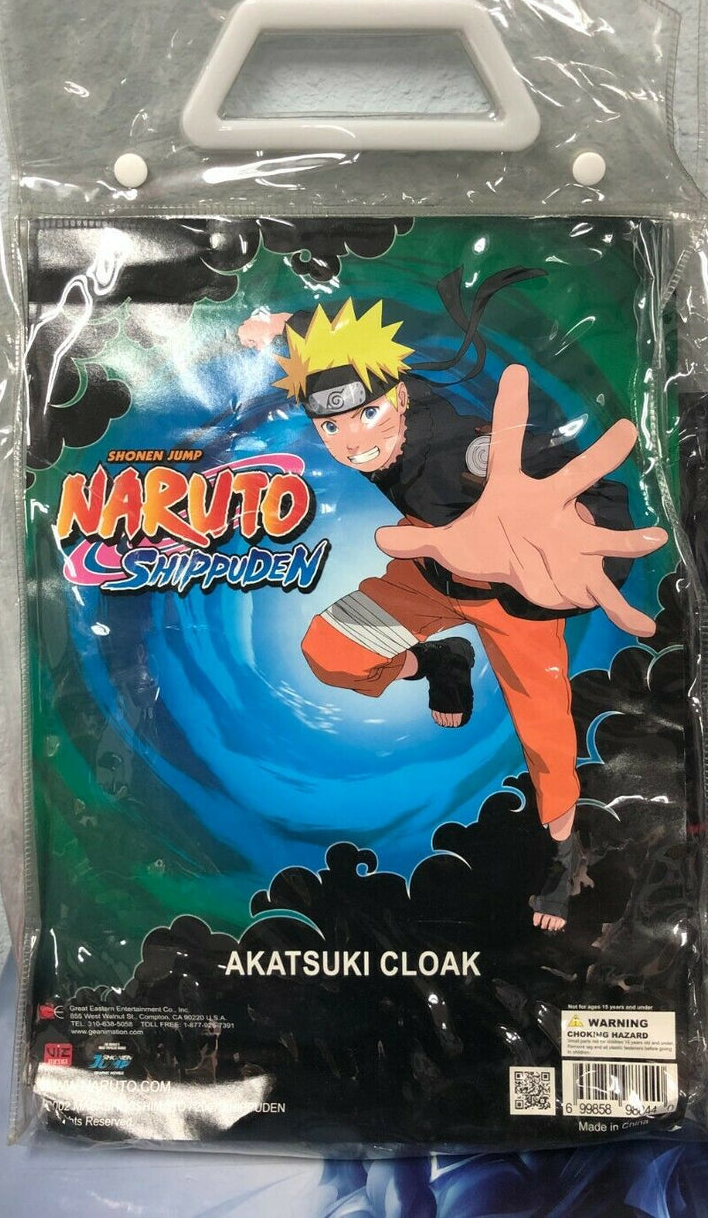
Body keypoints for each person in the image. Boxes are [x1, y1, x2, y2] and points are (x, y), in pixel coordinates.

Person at [238, 290, 667, 930]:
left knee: (547, 739)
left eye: (368, 414)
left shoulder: (463, 454)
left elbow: (550, 474)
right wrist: (280, 324)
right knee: (331, 651)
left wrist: (582, 539)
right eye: (332, 426)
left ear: (401, 400)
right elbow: (344, 343)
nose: (354, 442)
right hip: (430, 571)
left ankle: (562, 854)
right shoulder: (392, 387)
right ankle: (441, 660)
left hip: (515, 599)